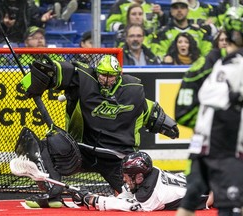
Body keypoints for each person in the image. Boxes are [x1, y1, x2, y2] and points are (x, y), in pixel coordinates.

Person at [18, 54, 179, 208]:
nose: (106, 80)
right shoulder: (84, 79)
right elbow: (61, 72)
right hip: (80, 152)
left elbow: (150, 111)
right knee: (47, 146)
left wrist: (167, 125)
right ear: (97, 72)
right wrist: (45, 73)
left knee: (133, 198)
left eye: (111, 76)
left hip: (117, 159)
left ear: (119, 75)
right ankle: (52, 194)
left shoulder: (133, 90)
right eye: (103, 75)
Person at [176, 7, 243, 216]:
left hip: (212, 143)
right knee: (221, 202)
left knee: (196, 196)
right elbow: (183, 110)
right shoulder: (214, 63)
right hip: (222, 147)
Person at [71, 151, 211, 212]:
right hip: (197, 179)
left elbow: (126, 205)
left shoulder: (148, 196)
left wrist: (92, 200)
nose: (124, 178)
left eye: (127, 175)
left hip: (208, 191)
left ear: (138, 177)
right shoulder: (152, 172)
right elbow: (128, 196)